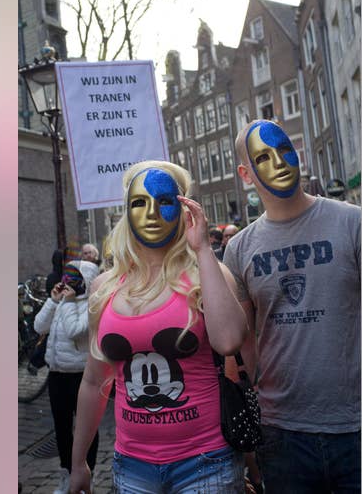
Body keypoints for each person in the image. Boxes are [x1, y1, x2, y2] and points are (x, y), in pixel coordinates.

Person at [68, 160, 248, 493]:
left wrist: (203, 248)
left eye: (164, 201)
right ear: (126, 213)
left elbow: (230, 341)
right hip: (132, 468)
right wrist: (79, 463)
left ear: (182, 210)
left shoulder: (205, 275)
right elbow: (95, 382)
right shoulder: (104, 288)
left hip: (207, 464)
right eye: (139, 202)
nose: (151, 212)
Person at [222, 120, 361, 493]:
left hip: (360, 427)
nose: (280, 162)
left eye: (284, 150)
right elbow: (239, 346)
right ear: (246, 175)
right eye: (263, 157)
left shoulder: (354, 223)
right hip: (282, 434)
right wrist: (250, 434)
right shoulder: (240, 249)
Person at [32, 259, 102, 494]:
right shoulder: (63, 300)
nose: (67, 282)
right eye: (66, 276)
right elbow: (39, 326)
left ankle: (87, 476)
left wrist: (70, 302)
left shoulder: (92, 305)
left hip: (81, 376)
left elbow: (75, 330)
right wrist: (53, 301)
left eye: (73, 277)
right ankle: (66, 475)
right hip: (57, 375)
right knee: (61, 429)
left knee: (86, 428)